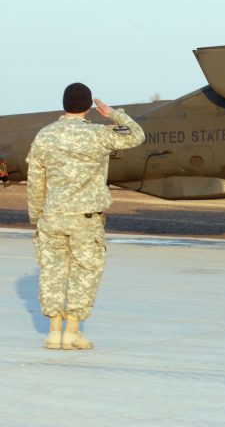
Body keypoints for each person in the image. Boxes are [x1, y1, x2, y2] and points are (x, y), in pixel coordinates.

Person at [27, 83, 145, 350]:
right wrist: (114, 114)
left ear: (64, 104)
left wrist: (36, 216)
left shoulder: (45, 136)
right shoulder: (97, 135)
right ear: (88, 107)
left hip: (52, 215)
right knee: (85, 271)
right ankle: (73, 331)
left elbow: (36, 179)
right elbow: (136, 135)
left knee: (52, 271)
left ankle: (54, 332)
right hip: (85, 218)